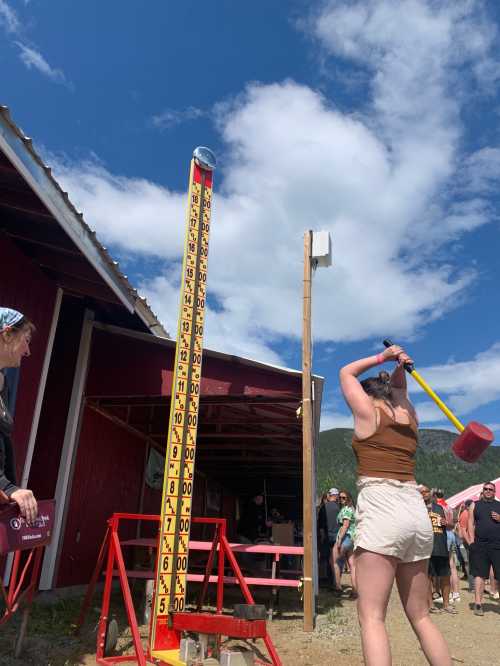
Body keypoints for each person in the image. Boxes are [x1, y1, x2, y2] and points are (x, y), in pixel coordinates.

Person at [340, 343, 451, 666]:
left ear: (367, 395)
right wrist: (401, 367)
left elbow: (345, 372)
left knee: (372, 617)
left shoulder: (368, 412)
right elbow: (400, 389)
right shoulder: (409, 415)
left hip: (382, 505)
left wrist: (382, 358)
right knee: (421, 616)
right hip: (416, 509)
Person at [0, 307, 37, 523]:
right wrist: (7, 487)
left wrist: (11, 489)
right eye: (26, 340)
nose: (28, 350)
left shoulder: (3, 384)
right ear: (6, 334)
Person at [420, 486, 456, 614]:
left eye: (426, 491)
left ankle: (446, 604)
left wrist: (446, 522)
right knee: (428, 577)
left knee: (445, 576)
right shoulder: (417, 508)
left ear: (431, 493)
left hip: (441, 545)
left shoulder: (439, 508)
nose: (424, 494)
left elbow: (451, 525)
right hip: (425, 548)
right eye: (421, 492)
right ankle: (430, 604)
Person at [467, 481, 500, 616]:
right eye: (485, 489)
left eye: (490, 489)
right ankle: (478, 604)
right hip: (480, 545)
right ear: (482, 491)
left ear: (494, 492)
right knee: (479, 575)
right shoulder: (475, 505)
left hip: (497, 545)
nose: (488, 491)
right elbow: (470, 523)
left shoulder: (499, 506)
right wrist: (471, 541)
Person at [317, 487, 341, 591]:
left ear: (329, 495)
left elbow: (321, 525)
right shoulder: (339, 508)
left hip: (326, 537)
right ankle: (335, 582)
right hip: (337, 537)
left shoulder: (323, 507)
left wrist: (322, 537)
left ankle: (328, 580)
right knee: (336, 561)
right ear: (336, 496)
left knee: (327, 559)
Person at [333, 489, 356, 594]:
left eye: (343, 498)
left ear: (348, 498)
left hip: (345, 538)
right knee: (352, 565)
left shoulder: (346, 510)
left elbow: (345, 525)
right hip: (351, 539)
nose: (341, 499)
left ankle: (338, 587)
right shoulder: (352, 509)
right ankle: (355, 589)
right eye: (340, 497)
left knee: (336, 562)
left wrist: (339, 540)